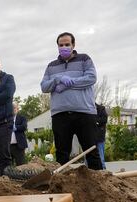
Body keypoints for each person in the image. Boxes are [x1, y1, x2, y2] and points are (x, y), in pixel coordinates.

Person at [40, 32, 102, 170]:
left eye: (67, 44)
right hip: (60, 114)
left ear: (73, 45)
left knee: (91, 151)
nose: (64, 47)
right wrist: (57, 79)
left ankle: (100, 182)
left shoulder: (85, 59)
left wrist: (69, 82)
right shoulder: (51, 66)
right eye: (61, 45)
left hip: (84, 112)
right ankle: (61, 185)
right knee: (62, 154)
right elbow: (44, 86)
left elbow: (91, 78)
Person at [95, 103, 108, 169]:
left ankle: (103, 169)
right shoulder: (87, 109)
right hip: (89, 138)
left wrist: (95, 121)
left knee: (101, 156)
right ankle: (87, 170)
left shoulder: (101, 108)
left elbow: (104, 120)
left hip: (99, 137)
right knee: (88, 156)